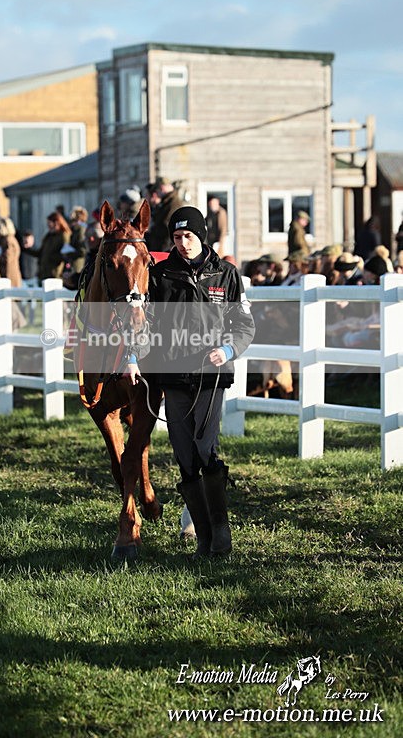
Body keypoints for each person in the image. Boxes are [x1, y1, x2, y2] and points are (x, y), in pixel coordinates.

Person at [127, 206, 255, 558]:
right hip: (173, 375)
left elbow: (243, 325)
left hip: (211, 378)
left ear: (202, 235)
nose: (183, 243)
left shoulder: (225, 274)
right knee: (185, 458)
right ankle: (202, 538)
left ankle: (220, 530)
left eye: (189, 236)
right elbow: (146, 323)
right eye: (177, 237)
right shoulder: (161, 274)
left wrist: (228, 349)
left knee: (205, 449)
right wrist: (134, 356)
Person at [25, 212, 71, 280]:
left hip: (55, 274)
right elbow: (40, 253)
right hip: (43, 273)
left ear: (56, 223)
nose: (48, 226)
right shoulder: (48, 236)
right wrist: (27, 249)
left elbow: (66, 255)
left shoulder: (63, 236)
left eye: (50, 223)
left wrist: (52, 257)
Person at [145, 177, 184, 251]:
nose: (157, 193)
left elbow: (167, 227)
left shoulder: (173, 203)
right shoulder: (167, 202)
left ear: (162, 188)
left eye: (157, 190)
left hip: (165, 248)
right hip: (162, 246)